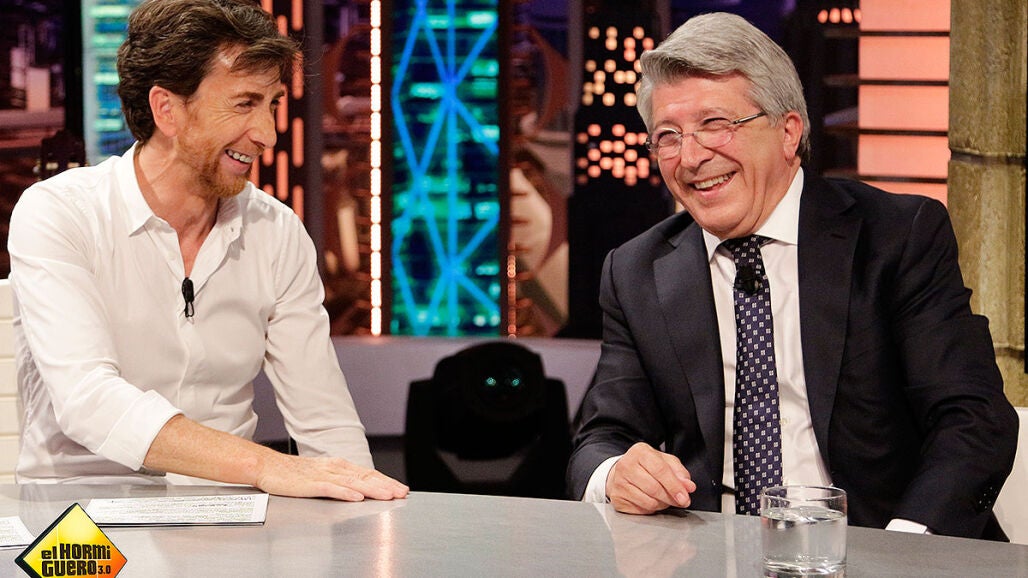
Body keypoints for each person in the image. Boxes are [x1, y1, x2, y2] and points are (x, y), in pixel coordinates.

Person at [566, 12, 1017, 540]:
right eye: (668, 136)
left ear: (788, 132)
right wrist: (616, 474)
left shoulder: (896, 237)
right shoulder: (637, 270)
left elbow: (973, 420)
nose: (690, 158)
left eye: (716, 124)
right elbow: (600, 440)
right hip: (710, 556)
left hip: (884, 544)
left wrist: (902, 550)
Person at [7, 0, 408, 503]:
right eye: (244, 104)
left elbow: (325, 422)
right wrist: (265, 466)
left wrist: (371, 516)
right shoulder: (60, 212)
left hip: (224, 511)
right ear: (167, 109)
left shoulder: (277, 231)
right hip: (80, 510)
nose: (267, 134)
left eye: (272, 104)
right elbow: (89, 401)